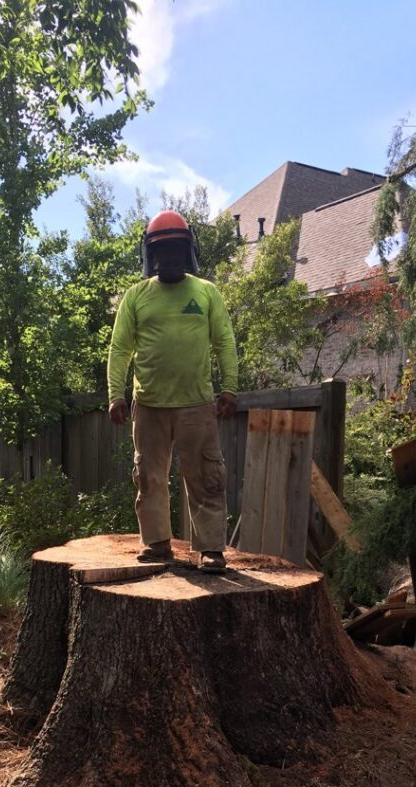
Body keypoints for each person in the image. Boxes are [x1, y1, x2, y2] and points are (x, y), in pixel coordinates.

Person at [107, 210, 238, 572]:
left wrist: (229, 388)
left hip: (196, 405)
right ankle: (158, 544)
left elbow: (224, 342)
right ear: (151, 255)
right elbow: (120, 349)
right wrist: (116, 394)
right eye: (162, 251)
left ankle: (210, 549)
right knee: (148, 478)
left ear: (187, 251)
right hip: (148, 404)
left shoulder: (206, 292)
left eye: (175, 249)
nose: (169, 257)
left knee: (206, 477)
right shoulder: (136, 297)